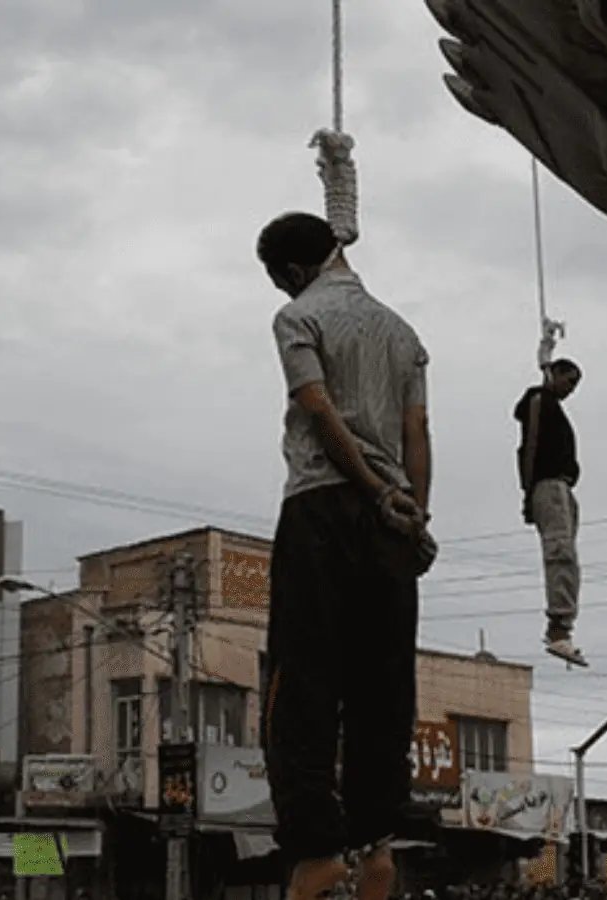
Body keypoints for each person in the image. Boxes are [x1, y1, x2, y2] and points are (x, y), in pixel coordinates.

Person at [257, 211, 434, 900]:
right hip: (393, 526)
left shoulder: (298, 317)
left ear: (291, 272)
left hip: (323, 506)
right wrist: (411, 510)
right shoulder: (402, 331)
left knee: (301, 684)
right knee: (383, 687)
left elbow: (319, 409)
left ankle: (316, 852)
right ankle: (376, 845)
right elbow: (417, 429)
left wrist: (365, 486)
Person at [514, 357, 585, 665]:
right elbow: (529, 449)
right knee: (560, 552)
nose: (571, 389)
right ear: (554, 374)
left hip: (562, 486)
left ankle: (563, 626)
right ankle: (558, 630)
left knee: (568, 558)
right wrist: (529, 493)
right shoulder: (539, 401)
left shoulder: (551, 407)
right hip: (548, 483)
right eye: (569, 381)